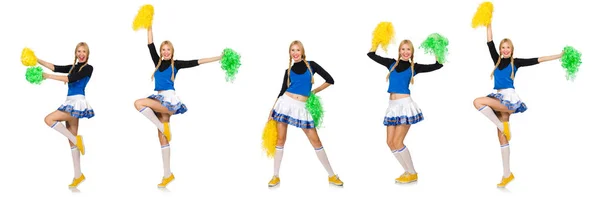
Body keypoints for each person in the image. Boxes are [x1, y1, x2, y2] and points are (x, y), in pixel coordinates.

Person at [472, 23, 563, 188]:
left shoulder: (517, 62)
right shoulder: (496, 60)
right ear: (500, 50)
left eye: (508, 47)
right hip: (498, 96)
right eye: (503, 47)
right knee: (501, 136)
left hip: (509, 99)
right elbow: (489, 42)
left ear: (512, 50)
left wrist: (559, 55)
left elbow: (539, 59)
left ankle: (501, 124)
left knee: (477, 102)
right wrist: (489, 24)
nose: (505, 50)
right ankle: (507, 174)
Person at [133, 26, 223, 188]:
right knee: (162, 136)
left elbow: (198, 61)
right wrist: (149, 26)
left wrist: (219, 57)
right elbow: (150, 44)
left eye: (168, 49)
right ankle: (168, 174)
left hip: (169, 100)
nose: (166, 52)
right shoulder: (157, 61)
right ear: (161, 52)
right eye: (163, 49)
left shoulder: (177, 64)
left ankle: (162, 126)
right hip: (158, 97)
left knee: (138, 103)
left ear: (172, 51)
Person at [266, 40, 343, 187]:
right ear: (290, 53)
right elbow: (282, 90)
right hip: (285, 104)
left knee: (316, 141)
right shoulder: (288, 71)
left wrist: (313, 92)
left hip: (302, 108)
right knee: (280, 140)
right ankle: (275, 176)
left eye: (297, 50)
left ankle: (332, 175)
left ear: (302, 52)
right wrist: (271, 109)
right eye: (292, 50)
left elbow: (330, 80)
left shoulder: (311, 65)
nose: (295, 53)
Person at [367, 39, 443, 184]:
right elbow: (371, 54)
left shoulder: (415, 67)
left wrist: (436, 50)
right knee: (390, 142)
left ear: (412, 52)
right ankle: (408, 171)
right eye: (403, 49)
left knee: (398, 141)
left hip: (405, 106)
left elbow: (438, 65)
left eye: (409, 50)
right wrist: (378, 38)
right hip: (392, 106)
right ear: (399, 51)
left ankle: (412, 172)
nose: (406, 52)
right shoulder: (390, 63)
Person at [37, 42, 95, 188]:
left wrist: (47, 76)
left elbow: (70, 79)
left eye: (84, 52)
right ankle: (78, 175)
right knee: (72, 143)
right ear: (76, 53)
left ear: (88, 54)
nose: (81, 54)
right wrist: (36, 59)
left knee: (49, 119)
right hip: (69, 101)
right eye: (79, 51)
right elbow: (54, 67)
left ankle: (76, 139)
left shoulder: (88, 68)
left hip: (77, 102)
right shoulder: (72, 67)